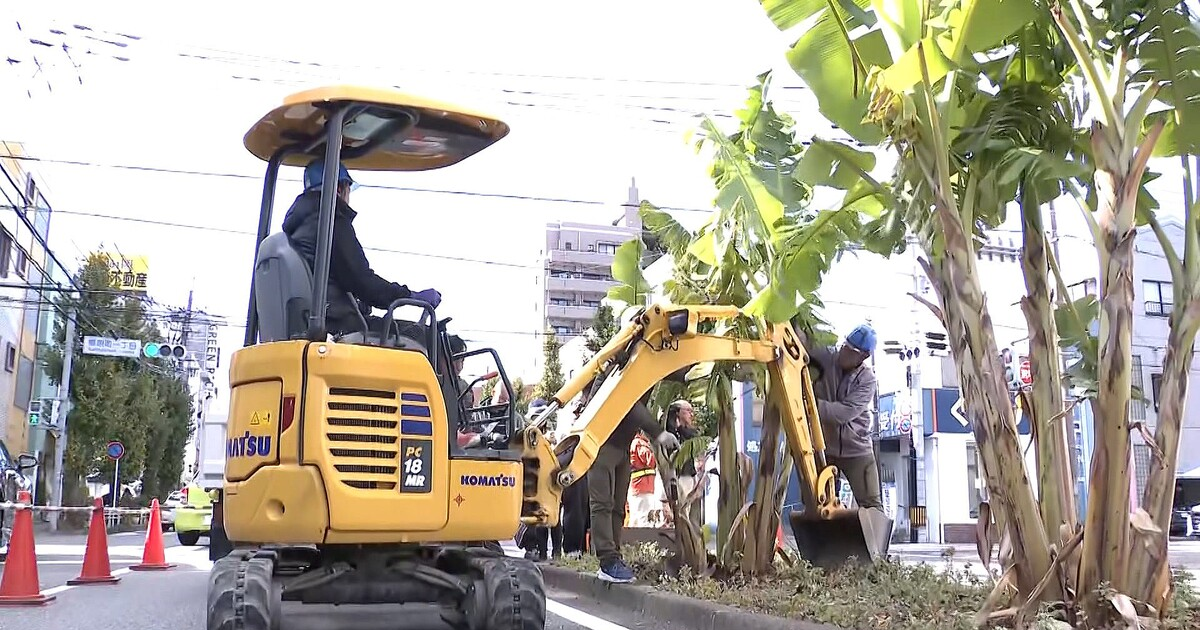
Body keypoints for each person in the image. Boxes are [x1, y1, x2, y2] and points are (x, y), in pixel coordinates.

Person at [281, 157, 442, 338]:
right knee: (425, 337)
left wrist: (358, 303)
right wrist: (409, 296)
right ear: (340, 189)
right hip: (340, 325)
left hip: (326, 320)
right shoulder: (330, 221)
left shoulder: (298, 229)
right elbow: (361, 280)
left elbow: (337, 281)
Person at [587, 389, 679, 583]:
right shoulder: (614, 365)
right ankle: (607, 561)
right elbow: (627, 399)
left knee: (618, 506)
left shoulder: (645, 368)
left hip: (622, 446)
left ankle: (614, 557)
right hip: (601, 443)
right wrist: (659, 433)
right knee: (602, 504)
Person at [799, 322, 883, 511]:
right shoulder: (828, 357)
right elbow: (803, 342)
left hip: (856, 449)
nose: (844, 352)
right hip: (824, 448)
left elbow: (843, 413)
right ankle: (824, 540)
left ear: (864, 356)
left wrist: (810, 406)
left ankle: (875, 541)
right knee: (817, 503)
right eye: (844, 346)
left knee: (872, 506)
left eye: (851, 350)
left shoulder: (867, 380)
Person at [665, 400, 703, 531]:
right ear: (678, 412)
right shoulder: (668, 431)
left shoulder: (688, 432)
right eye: (688, 411)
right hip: (674, 476)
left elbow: (694, 439)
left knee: (685, 512)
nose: (691, 415)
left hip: (687, 477)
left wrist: (681, 427)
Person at [627, 432, 660, 527]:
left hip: (638, 487)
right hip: (643, 487)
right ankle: (642, 541)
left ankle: (630, 541)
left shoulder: (635, 443)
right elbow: (651, 460)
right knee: (644, 519)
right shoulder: (640, 443)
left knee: (635, 520)